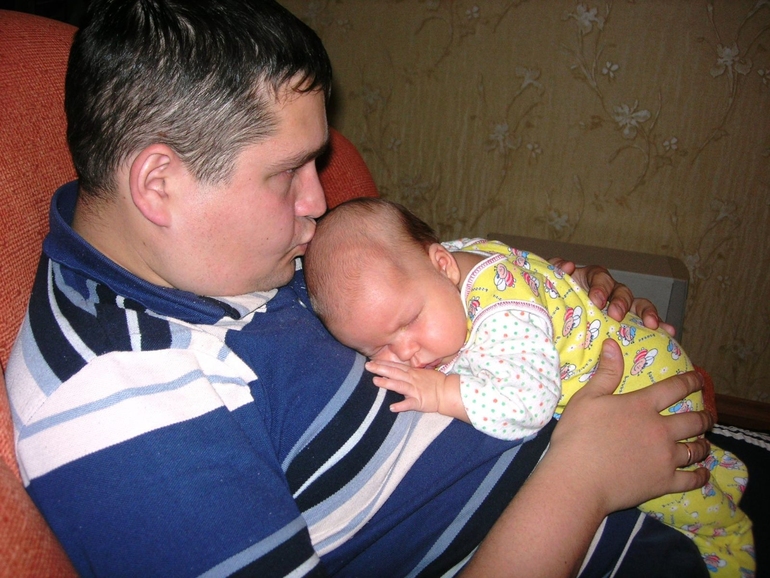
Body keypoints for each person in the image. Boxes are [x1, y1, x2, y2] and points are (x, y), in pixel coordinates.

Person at [4, 1, 714, 576]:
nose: (319, 201)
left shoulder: (221, 255)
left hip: (634, 458)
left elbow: (433, 282)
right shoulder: (118, 400)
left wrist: (555, 305)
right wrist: (583, 479)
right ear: (159, 184)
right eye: (287, 173)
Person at [304, 198, 755, 575]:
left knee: (675, 499)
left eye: (409, 321)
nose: (409, 353)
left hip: (639, 389)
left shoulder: (503, 313)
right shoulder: (439, 264)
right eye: (379, 347)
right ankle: (723, 472)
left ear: (442, 264)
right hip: (638, 359)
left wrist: (441, 391)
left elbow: (527, 405)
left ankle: (728, 540)